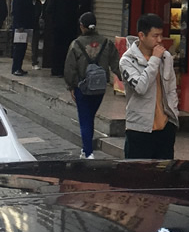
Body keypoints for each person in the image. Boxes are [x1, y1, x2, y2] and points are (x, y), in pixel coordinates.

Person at [119, 13, 179, 159]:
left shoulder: (166, 57)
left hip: (165, 127)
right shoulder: (127, 61)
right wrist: (154, 59)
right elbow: (141, 88)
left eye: (161, 35)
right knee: (138, 171)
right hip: (140, 129)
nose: (159, 40)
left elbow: (171, 89)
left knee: (164, 171)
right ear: (141, 35)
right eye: (155, 36)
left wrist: (173, 115)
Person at [64, 12, 119, 159]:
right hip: (100, 88)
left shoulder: (76, 44)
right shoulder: (106, 43)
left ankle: (88, 152)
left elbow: (70, 68)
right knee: (90, 117)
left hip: (82, 88)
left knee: (85, 119)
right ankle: (86, 149)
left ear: (82, 26)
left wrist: (71, 86)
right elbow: (116, 64)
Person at [44, 0, 81, 77]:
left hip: (57, 28)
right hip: (70, 28)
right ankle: (65, 70)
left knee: (56, 48)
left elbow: (48, 10)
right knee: (67, 49)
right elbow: (78, 11)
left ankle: (55, 69)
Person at [11, 0, 35, 76]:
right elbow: (16, 12)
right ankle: (15, 68)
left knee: (23, 47)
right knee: (18, 48)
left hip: (26, 26)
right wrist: (19, 25)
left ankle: (19, 67)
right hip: (20, 27)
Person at [29, 0, 44, 70]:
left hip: (35, 26)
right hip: (28, 26)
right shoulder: (27, 1)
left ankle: (34, 62)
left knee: (35, 45)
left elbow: (39, 13)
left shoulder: (38, 3)